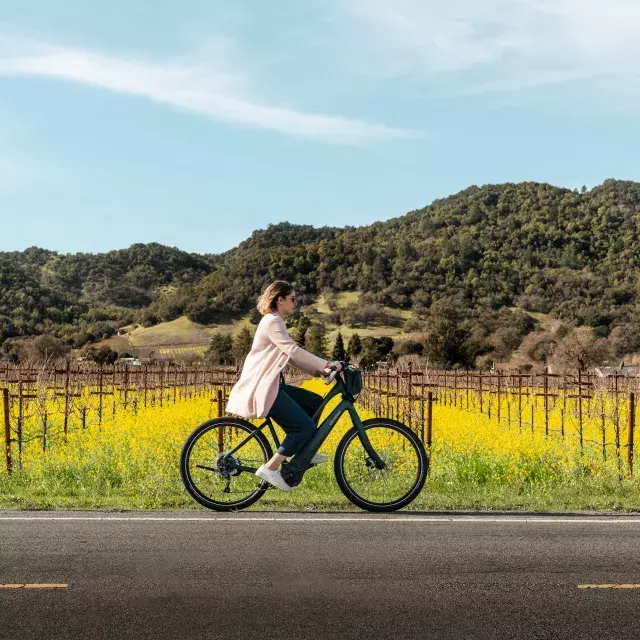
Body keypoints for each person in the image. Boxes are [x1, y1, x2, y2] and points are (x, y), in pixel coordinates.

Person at [226, 280, 343, 492]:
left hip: (269, 384)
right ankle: (271, 468)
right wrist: (327, 363)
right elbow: (293, 350)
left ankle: (304, 449)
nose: (295, 303)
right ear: (279, 299)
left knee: (314, 402)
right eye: (292, 299)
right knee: (305, 427)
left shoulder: (275, 321)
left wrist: (320, 371)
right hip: (263, 387)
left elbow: (289, 356)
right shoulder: (272, 321)